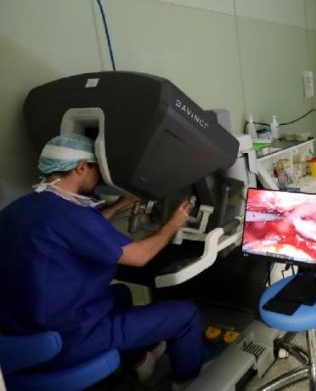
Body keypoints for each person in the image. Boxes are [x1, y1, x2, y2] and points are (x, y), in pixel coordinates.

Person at [0, 133, 203, 387]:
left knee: (120, 295)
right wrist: (173, 224)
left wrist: (117, 206)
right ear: (81, 167)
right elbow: (139, 257)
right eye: (96, 169)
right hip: (69, 338)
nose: (99, 177)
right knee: (186, 315)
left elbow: (75, 233)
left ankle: (139, 362)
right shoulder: (72, 216)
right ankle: (187, 382)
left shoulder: (21, 208)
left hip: (17, 332)